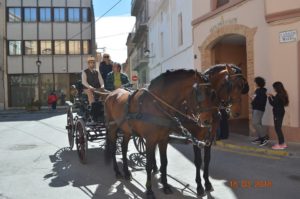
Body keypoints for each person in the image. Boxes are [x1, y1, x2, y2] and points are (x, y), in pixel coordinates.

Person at [267, 81, 289, 150]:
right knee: (278, 128)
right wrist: (272, 96)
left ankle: (281, 144)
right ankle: (282, 143)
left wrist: (269, 97)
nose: (274, 89)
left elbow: (273, 103)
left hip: (277, 113)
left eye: (274, 87)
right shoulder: (282, 94)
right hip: (281, 112)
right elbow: (277, 101)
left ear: (277, 88)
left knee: (277, 128)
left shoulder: (279, 95)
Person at [251, 76, 268, 146]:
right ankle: (260, 138)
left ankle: (264, 138)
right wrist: (253, 99)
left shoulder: (261, 91)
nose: (254, 83)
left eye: (255, 82)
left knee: (255, 123)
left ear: (258, 83)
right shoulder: (257, 90)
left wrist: (254, 100)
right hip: (256, 108)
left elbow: (261, 101)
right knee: (258, 123)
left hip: (258, 109)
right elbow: (254, 98)